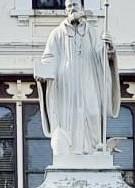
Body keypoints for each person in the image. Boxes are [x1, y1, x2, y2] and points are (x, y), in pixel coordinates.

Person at [35, 0, 120, 156]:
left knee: (93, 112)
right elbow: (48, 58)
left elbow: (101, 54)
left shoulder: (92, 32)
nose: (71, 9)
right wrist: (43, 72)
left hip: (88, 79)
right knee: (69, 116)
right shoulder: (57, 34)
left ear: (82, 8)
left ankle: (94, 148)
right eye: (68, 6)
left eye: (75, 5)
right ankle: (71, 152)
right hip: (66, 84)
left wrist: (109, 50)